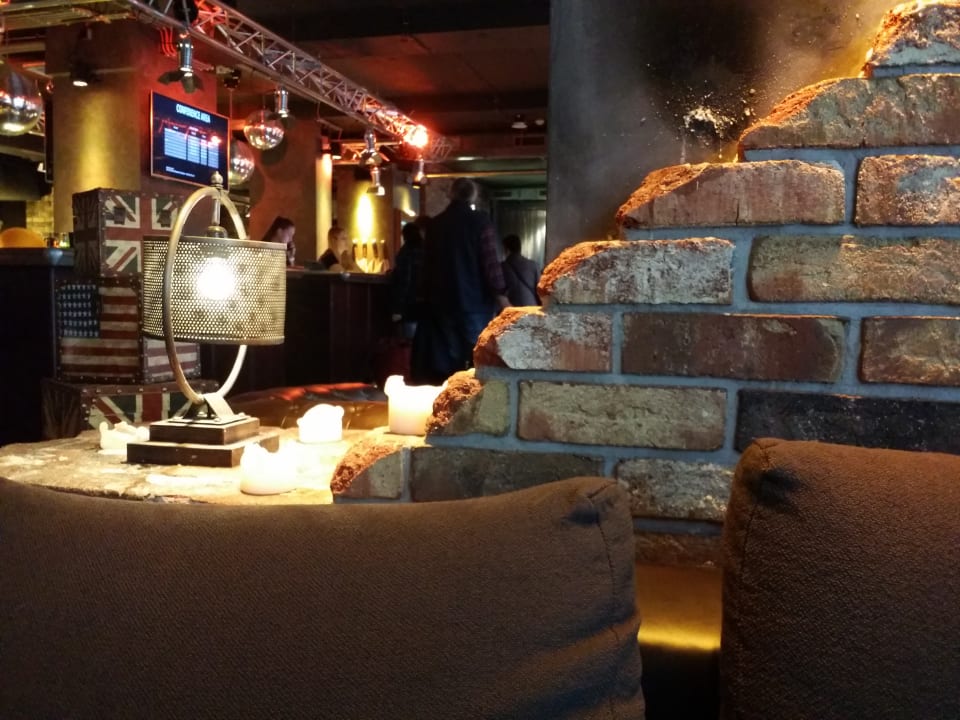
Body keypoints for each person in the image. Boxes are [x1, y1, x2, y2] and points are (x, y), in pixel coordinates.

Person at [412, 178, 510, 384]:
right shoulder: (481, 223)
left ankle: (451, 397)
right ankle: (474, 398)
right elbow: (490, 263)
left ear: (451, 194)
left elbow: (426, 266)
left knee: (448, 361)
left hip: (441, 305)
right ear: (473, 196)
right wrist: (501, 296)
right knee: (478, 361)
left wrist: (423, 297)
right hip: (475, 304)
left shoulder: (435, 225)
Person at [390, 220, 425, 339]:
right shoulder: (426, 250)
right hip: (424, 303)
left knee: (409, 341)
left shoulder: (406, 252)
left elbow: (404, 280)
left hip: (409, 303)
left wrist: (397, 308)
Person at [500, 233, 540, 306]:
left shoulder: (502, 267)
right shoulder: (534, 265)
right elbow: (540, 291)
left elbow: (500, 292)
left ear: (507, 250)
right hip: (532, 307)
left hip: (513, 308)